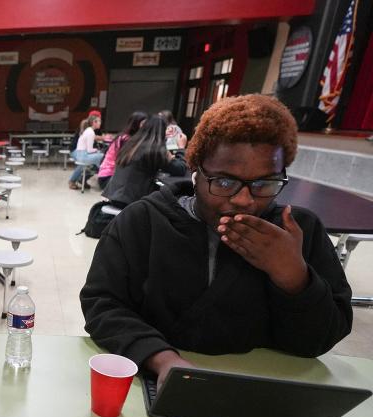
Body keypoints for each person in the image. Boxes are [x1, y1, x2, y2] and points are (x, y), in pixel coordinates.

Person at [80, 94, 352, 386]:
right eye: (223, 182)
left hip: (262, 386)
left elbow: (320, 340)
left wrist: (294, 276)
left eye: (264, 184)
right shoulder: (142, 222)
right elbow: (103, 303)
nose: (244, 200)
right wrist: (161, 358)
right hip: (155, 377)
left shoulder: (300, 232)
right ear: (196, 170)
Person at [101, 115, 187, 207]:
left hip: (114, 195)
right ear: (161, 132)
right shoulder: (154, 150)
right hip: (130, 201)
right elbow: (180, 169)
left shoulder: (131, 143)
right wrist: (181, 148)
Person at [96, 111, 146, 190]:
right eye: (143, 124)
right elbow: (127, 162)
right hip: (108, 177)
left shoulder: (127, 136)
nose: (146, 126)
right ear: (135, 124)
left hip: (110, 175)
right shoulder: (126, 139)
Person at [68, 113, 103, 189]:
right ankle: (103, 175)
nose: (101, 123)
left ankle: (87, 178)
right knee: (102, 156)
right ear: (94, 122)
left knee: (98, 157)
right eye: (99, 121)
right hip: (82, 155)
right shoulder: (91, 132)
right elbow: (90, 150)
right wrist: (96, 150)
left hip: (81, 154)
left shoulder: (88, 130)